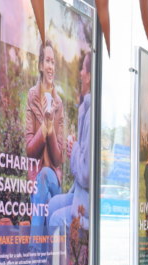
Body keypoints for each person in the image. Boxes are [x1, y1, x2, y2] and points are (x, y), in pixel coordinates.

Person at [49, 51, 92, 232]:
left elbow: (85, 173)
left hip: (87, 206)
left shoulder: (90, 115)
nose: (80, 73)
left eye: (83, 69)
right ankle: (48, 257)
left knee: (55, 220)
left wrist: (74, 150)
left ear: (89, 76)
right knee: (52, 205)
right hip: (80, 195)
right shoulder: (87, 110)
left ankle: (58, 261)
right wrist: (76, 148)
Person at [26, 39, 65, 227]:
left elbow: (58, 159)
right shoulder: (32, 97)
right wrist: (44, 126)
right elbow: (30, 151)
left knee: (44, 176)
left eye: (53, 62)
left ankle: (35, 251)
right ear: (41, 66)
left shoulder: (59, 104)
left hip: (54, 180)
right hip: (37, 178)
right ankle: (39, 252)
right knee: (39, 182)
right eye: (47, 61)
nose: (50, 66)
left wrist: (50, 128)